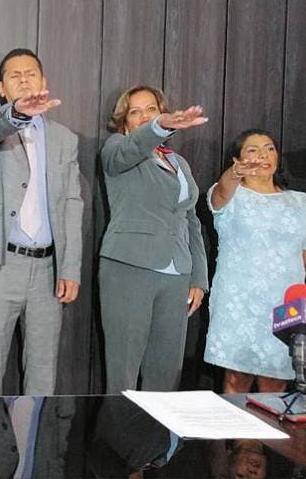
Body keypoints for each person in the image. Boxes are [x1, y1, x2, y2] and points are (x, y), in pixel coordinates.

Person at [0, 48, 83, 396]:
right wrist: (17, 114)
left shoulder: (65, 139)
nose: (24, 79)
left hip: (47, 271)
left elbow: (72, 203)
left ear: (44, 81)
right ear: (1, 88)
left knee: (43, 376)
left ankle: (34, 434)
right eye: (15, 75)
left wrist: (70, 268)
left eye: (31, 73)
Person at [98, 85, 209, 393]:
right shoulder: (116, 148)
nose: (145, 116)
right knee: (123, 371)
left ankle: (158, 428)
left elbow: (191, 221)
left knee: (166, 373)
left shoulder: (180, 163)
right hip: (129, 267)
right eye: (135, 111)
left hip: (177, 273)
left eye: (152, 110)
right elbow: (128, 151)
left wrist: (198, 277)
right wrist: (159, 126)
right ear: (124, 121)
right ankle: (119, 425)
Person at [204, 129, 306, 393]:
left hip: (284, 303)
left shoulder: (300, 201)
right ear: (236, 160)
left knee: (276, 382)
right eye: (253, 150)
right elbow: (222, 191)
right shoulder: (230, 195)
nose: (263, 155)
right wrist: (236, 173)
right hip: (239, 301)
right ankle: (233, 423)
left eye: (269, 148)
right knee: (237, 378)